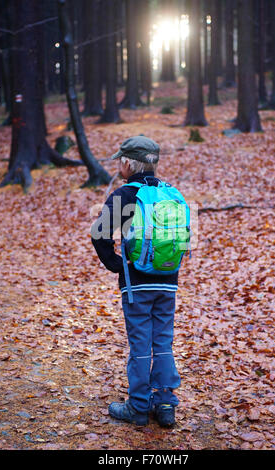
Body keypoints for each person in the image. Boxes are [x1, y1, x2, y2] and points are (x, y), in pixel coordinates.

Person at [91, 136, 181, 427]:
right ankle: (166, 405)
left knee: (141, 345)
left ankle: (139, 407)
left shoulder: (125, 194)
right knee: (164, 342)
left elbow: (99, 234)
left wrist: (118, 265)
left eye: (121, 160)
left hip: (137, 285)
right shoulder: (171, 193)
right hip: (168, 282)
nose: (119, 165)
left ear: (129, 162)